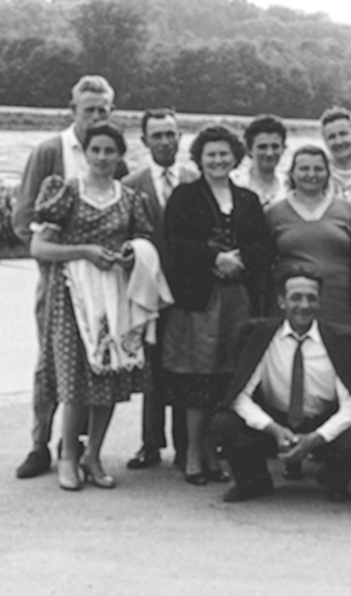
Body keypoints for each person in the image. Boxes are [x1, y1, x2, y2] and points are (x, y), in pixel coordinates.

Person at [30, 122, 162, 491]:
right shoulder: (67, 192)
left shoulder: (130, 198)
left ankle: (94, 455)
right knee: (75, 379)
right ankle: (69, 455)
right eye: (96, 150)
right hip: (71, 295)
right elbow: (39, 248)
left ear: (121, 155)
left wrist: (128, 254)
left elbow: (143, 243)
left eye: (110, 151)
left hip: (113, 295)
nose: (103, 158)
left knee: (109, 375)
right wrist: (84, 251)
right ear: (85, 153)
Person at [14, 74, 127, 479]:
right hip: (59, 278)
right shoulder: (51, 151)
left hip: (103, 285)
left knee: (97, 361)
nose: (96, 115)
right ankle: (39, 444)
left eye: (103, 109)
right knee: (51, 362)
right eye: (89, 109)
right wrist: (59, 259)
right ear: (73, 109)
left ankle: (76, 446)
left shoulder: (112, 152)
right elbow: (24, 217)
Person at [163, 125, 274, 486]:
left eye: (224, 154)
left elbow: (263, 247)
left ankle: (217, 450)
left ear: (235, 157)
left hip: (237, 301)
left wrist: (239, 258)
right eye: (211, 154)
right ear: (199, 158)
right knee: (198, 380)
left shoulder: (247, 199)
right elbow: (175, 244)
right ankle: (194, 454)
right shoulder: (185, 195)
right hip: (199, 301)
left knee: (227, 379)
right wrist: (215, 257)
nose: (218, 160)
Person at [212, 267, 351, 503]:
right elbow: (239, 396)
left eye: (311, 297)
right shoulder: (260, 335)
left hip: (321, 421)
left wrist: (316, 438)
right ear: (281, 301)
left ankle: (333, 480)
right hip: (276, 420)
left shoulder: (340, 341)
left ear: (319, 301)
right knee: (225, 422)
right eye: (295, 297)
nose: (304, 305)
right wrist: (273, 429)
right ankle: (253, 482)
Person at [121, 108, 198, 471]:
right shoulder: (132, 184)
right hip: (149, 291)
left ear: (180, 137)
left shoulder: (195, 178)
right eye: (157, 136)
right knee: (151, 369)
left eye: (171, 134)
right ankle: (150, 444)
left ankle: (186, 447)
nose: (165, 142)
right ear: (144, 141)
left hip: (189, 292)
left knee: (184, 368)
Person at [267, 145, 351, 328]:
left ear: (328, 173)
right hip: (291, 304)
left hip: (339, 303)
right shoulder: (274, 213)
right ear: (292, 173)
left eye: (318, 169)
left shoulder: (347, 211)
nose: (311, 174)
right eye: (304, 168)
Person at [231, 114, 287, 206]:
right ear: (249, 149)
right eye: (262, 147)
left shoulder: (289, 185)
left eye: (275, 147)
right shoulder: (234, 182)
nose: (269, 153)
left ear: (284, 148)